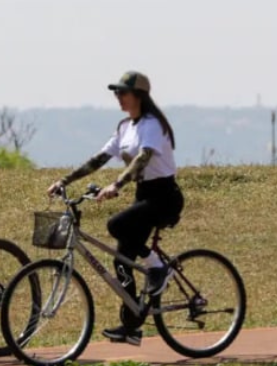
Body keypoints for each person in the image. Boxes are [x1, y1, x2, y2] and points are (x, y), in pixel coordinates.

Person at [47, 71, 184, 346]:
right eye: (116, 93)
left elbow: (142, 159)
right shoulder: (125, 127)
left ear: (139, 96)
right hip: (144, 196)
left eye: (123, 93)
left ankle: (158, 267)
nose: (118, 98)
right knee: (121, 260)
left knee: (115, 225)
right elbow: (98, 159)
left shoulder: (152, 125)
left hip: (164, 197)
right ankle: (131, 325)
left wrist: (117, 184)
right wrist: (65, 180)